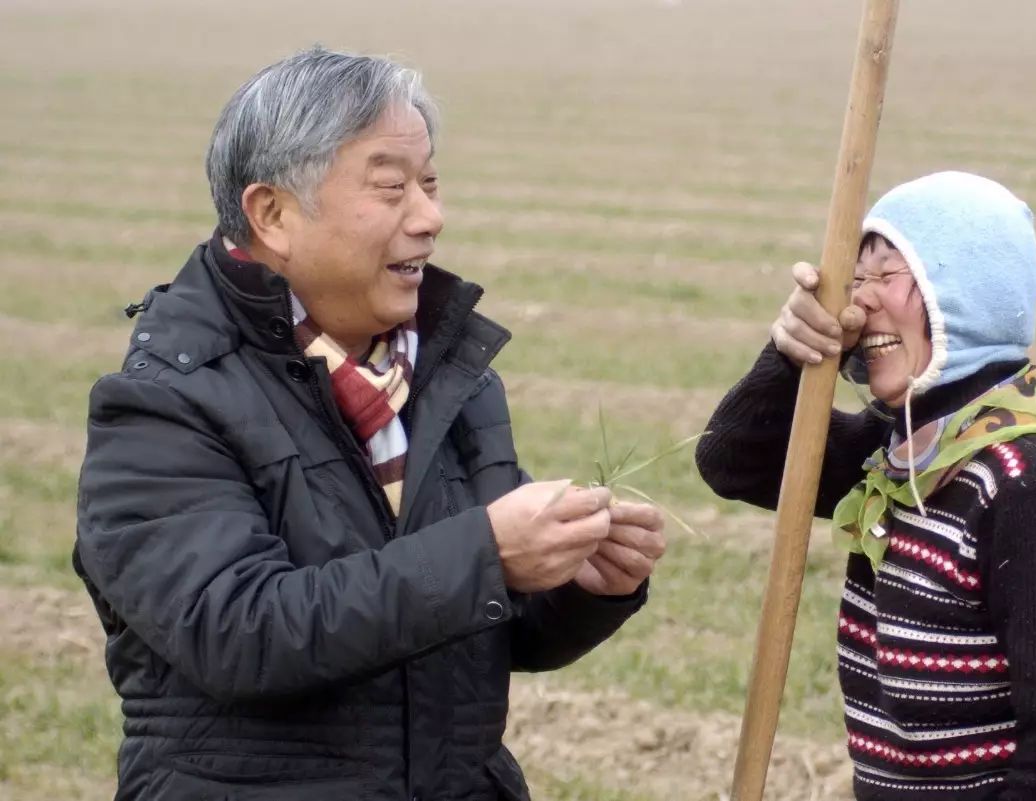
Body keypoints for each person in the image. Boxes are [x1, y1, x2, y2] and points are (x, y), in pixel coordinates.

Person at [73, 47, 666, 801]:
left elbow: (480, 625)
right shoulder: (163, 405)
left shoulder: (453, 383)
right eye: (392, 187)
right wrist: (486, 552)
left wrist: (580, 587)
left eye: (431, 183)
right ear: (273, 214)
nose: (431, 216)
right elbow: (241, 633)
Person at [696, 171, 1036, 800]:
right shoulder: (904, 451)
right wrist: (794, 352)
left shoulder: (1032, 493)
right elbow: (734, 462)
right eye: (855, 277)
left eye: (885, 275)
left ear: (964, 292)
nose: (858, 302)